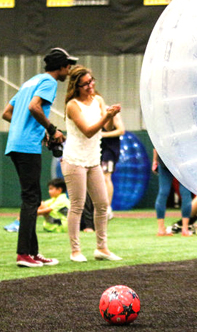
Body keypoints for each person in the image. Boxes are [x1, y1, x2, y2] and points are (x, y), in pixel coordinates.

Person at [2, 47, 77, 267]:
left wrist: (34, 130)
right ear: (61, 67)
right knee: (31, 199)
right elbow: (34, 107)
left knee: (32, 197)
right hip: (26, 147)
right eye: (68, 65)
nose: (69, 69)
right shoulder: (49, 83)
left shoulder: (30, 81)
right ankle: (24, 254)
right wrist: (52, 129)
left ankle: (33, 253)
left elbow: (7, 112)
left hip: (17, 144)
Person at [62, 65, 122, 262]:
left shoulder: (98, 100)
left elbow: (107, 127)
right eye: (85, 83)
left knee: (103, 204)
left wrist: (111, 116)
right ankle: (75, 251)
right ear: (77, 86)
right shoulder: (72, 105)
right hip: (74, 159)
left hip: (93, 159)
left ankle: (102, 248)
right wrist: (106, 116)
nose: (90, 85)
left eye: (91, 81)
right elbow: (88, 131)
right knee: (77, 205)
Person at [152, 148, 193, 237]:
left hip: (164, 156)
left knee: (163, 191)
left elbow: (155, 144)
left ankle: (161, 228)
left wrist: (154, 160)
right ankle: (185, 229)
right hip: (182, 157)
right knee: (185, 191)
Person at [100, 103, 125, 220]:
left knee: (106, 177)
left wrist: (103, 134)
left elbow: (121, 130)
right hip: (96, 149)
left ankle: (108, 208)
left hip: (109, 150)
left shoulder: (109, 111)